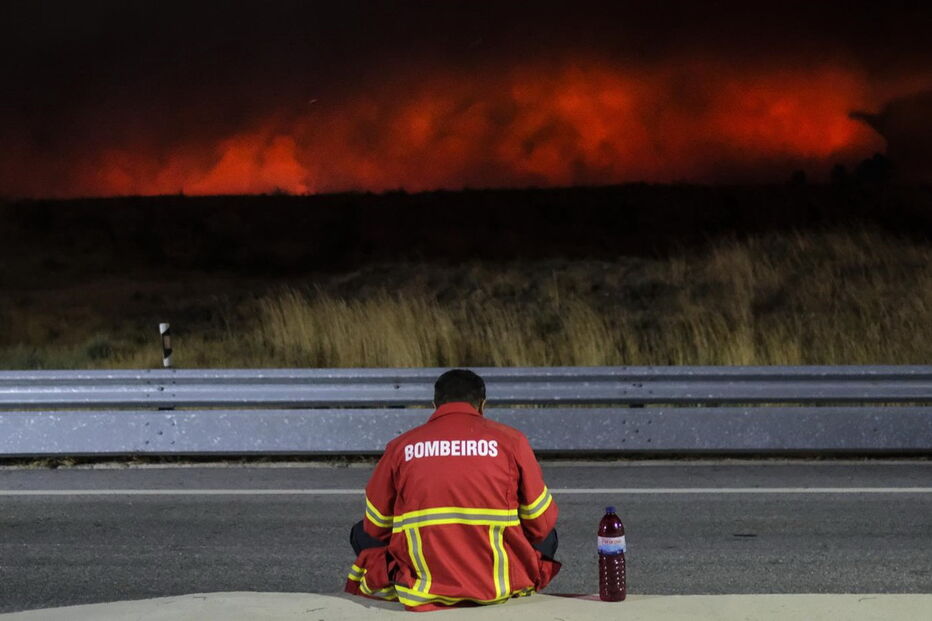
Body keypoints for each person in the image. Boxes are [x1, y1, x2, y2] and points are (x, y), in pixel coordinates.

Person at [345, 369, 560, 611]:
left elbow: (376, 526)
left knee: (359, 532)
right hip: (496, 582)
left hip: (425, 580)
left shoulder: (401, 446)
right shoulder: (512, 441)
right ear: (482, 405)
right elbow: (541, 525)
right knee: (549, 537)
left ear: (435, 404)